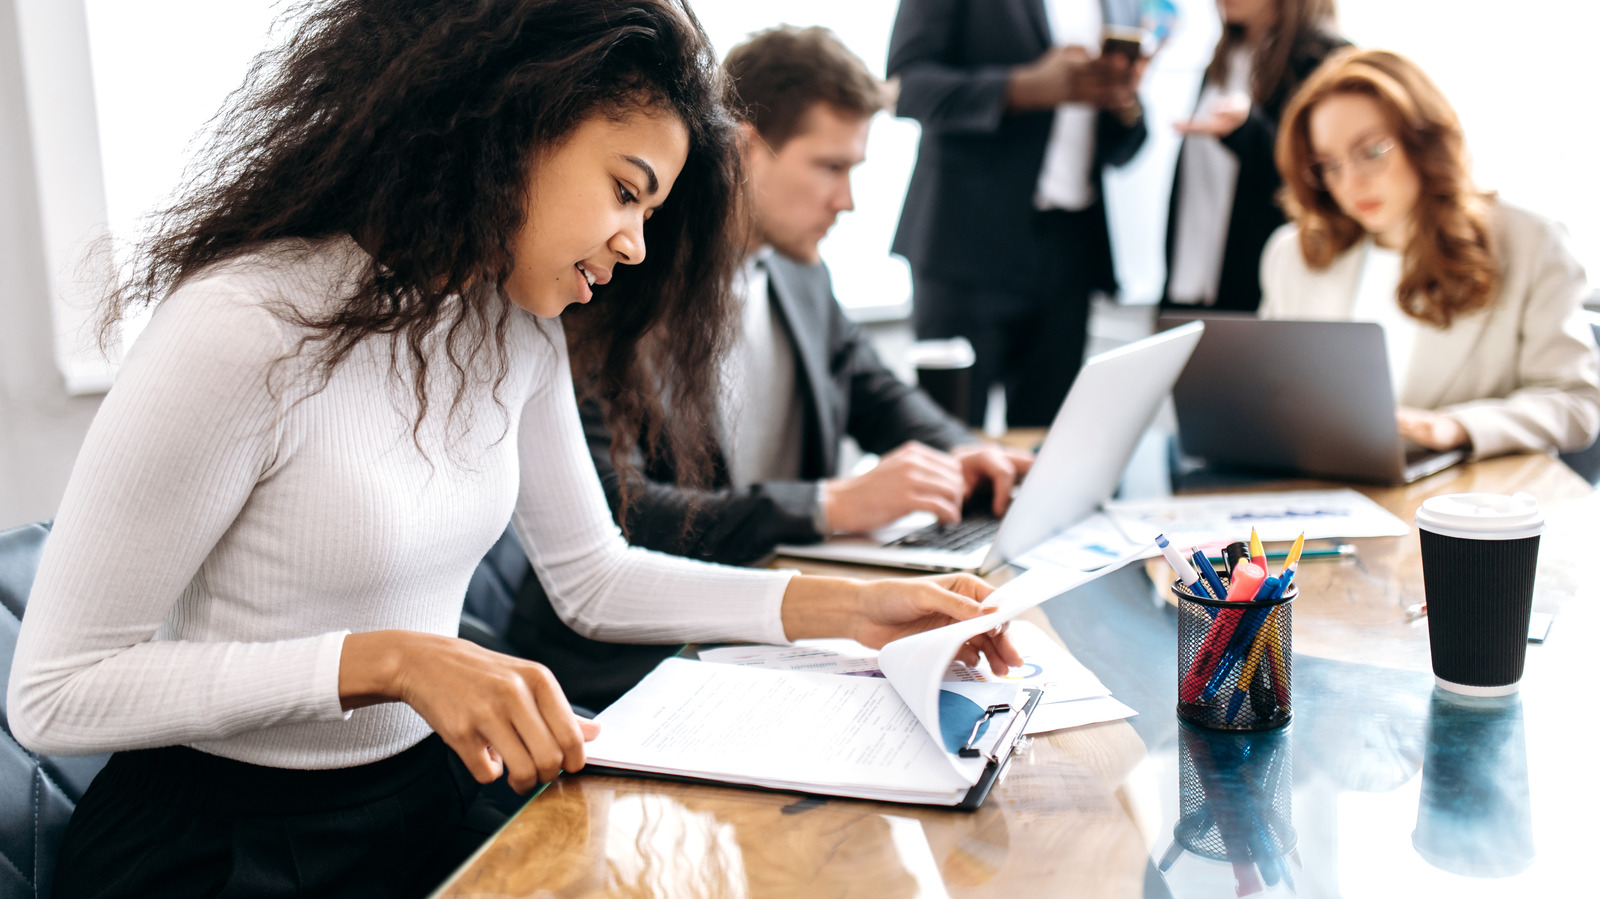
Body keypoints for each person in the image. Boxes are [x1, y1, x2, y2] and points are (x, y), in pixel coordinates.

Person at [6, 2, 1020, 895]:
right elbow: (54, 692)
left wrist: (849, 610)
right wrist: (385, 660)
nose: (635, 244)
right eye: (625, 190)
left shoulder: (512, 325)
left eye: (651, 212)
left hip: (424, 798)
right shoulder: (241, 324)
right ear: (510, 126)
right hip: (224, 844)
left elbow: (593, 578)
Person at [504, 25, 1035, 711]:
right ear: (745, 150)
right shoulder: (605, 279)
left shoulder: (800, 273)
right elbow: (622, 514)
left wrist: (963, 453)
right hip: (622, 671)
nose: (847, 201)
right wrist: (827, 505)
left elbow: (873, 388)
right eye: (830, 167)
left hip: (764, 620)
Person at [1261, 48, 1600, 458]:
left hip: (1469, 488)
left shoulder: (1533, 244)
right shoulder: (1292, 254)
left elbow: (1576, 402)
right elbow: (1271, 393)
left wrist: (1459, 426)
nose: (1350, 182)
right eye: (1329, 165)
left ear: (1424, 140)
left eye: (1372, 151)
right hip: (1328, 481)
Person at [887, 0, 1149, 428]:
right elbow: (904, 87)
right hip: (966, 242)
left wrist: (1124, 104)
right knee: (950, 435)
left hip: (1071, 250)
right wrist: (1021, 88)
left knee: (1049, 441)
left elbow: (1124, 143)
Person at [1162, 0, 1346, 311]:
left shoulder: (1325, 57)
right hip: (1192, 282)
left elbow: (1321, 178)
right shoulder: (1226, 57)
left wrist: (1247, 131)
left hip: (1260, 290)